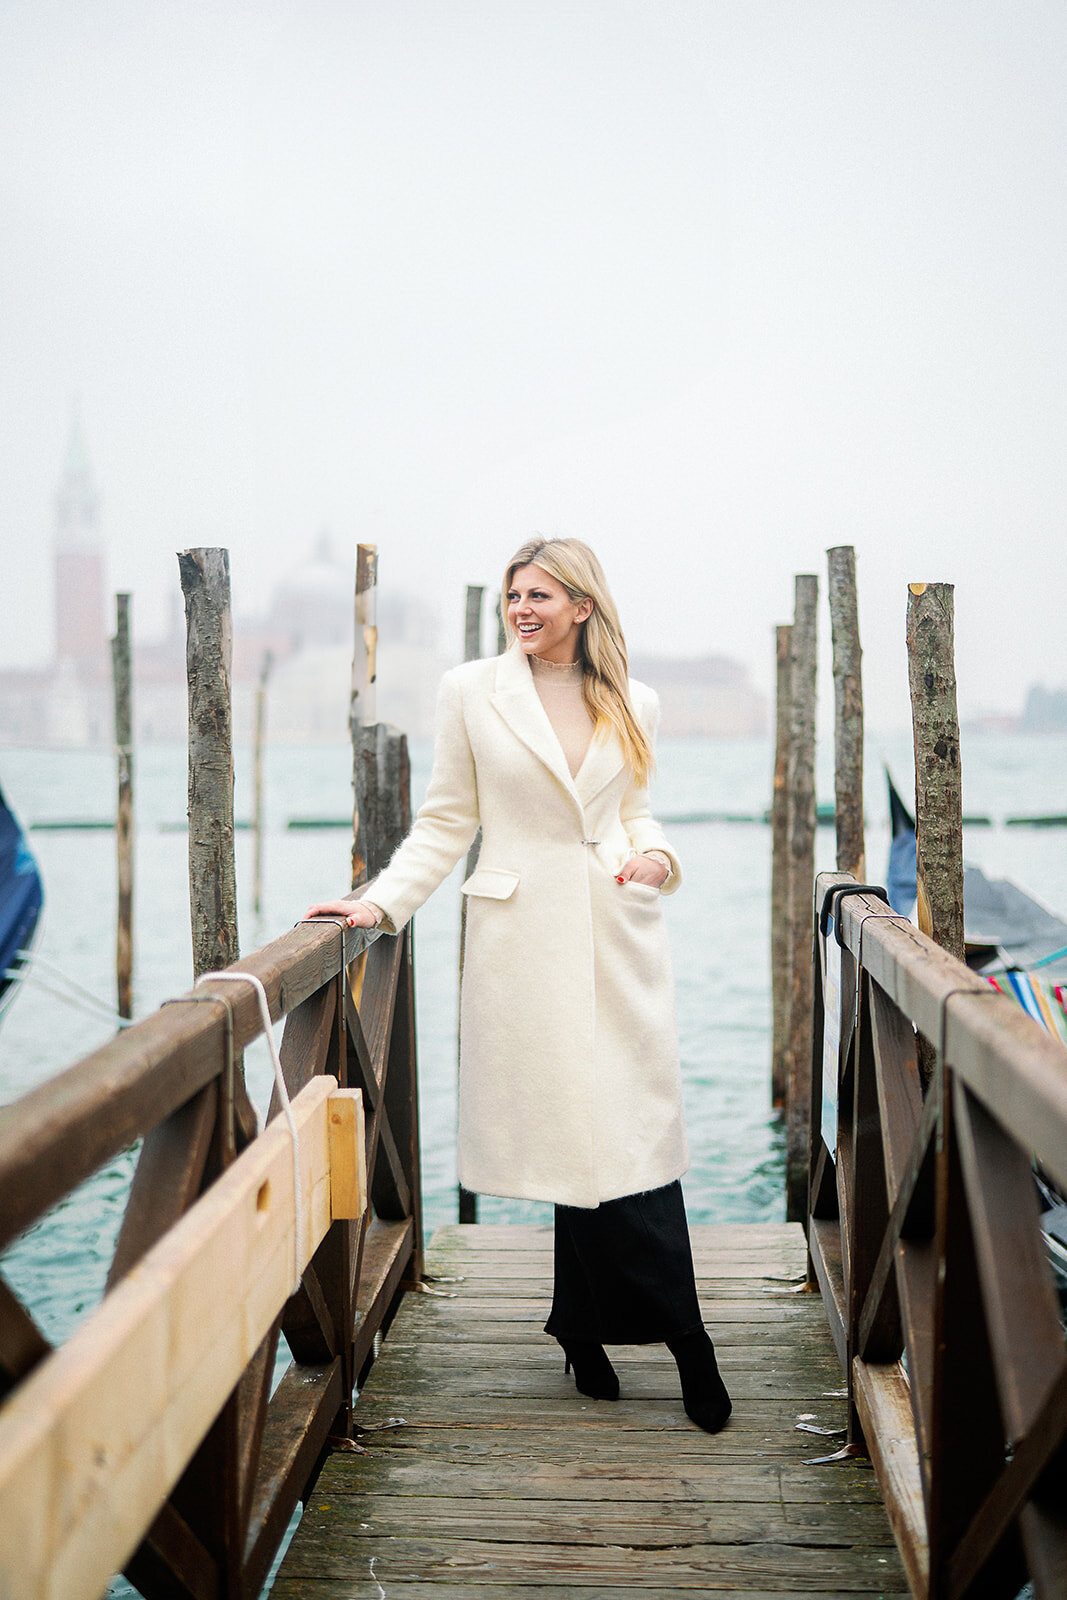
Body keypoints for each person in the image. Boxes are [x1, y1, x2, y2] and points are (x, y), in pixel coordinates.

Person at [305, 537, 731, 1432]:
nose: (523, 608)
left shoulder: (633, 698)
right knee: (575, 1138)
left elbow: (636, 811)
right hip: (522, 942)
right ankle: (585, 1333)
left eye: (541, 594)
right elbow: (445, 822)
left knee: (634, 1134)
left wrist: (657, 857)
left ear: (583, 604)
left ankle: (682, 1339)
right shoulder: (470, 690)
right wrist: (375, 906)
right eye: (513, 596)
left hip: (617, 934)